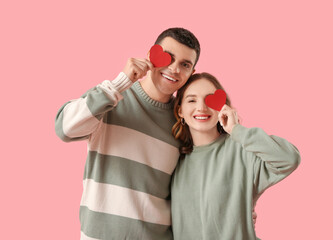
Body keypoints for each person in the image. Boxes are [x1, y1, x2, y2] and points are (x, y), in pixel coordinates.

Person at [55, 27, 200, 240]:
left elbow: (192, 187)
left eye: (185, 64)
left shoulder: (183, 123)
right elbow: (65, 129)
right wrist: (119, 83)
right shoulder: (110, 99)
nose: (174, 68)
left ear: (191, 73)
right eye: (168, 57)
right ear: (152, 54)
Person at [171, 72, 301, 240]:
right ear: (180, 110)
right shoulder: (175, 158)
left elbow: (289, 159)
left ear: (222, 106)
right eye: (191, 100)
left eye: (210, 99)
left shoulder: (242, 149)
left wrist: (236, 130)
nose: (201, 107)